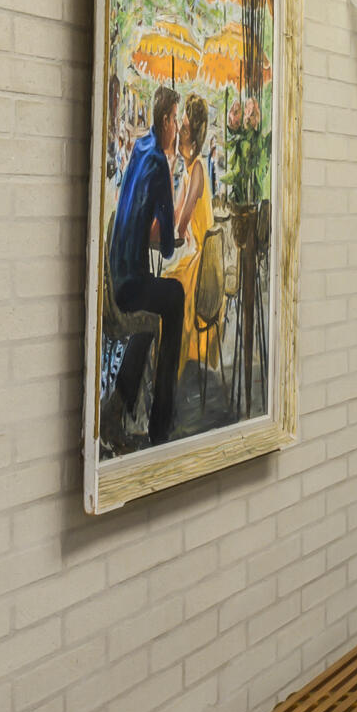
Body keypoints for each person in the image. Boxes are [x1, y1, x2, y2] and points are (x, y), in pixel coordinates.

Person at [107, 85, 187, 448]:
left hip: (115, 275)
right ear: (168, 120)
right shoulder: (157, 161)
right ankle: (161, 422)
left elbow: (138, 215)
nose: (178, 126)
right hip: (130, 285)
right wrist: (170, 177)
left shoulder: (139, 147)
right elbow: (169, 246)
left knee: (154, 307)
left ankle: (117, 408)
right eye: (176, 119)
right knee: (176, 294)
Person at [165, 94, 219, 368]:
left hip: (201, 266)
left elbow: (181, 224)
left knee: (168, 282)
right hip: (194, 255)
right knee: (167, 278)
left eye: (183, 130)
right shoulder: (188, 170)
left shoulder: (197, 170)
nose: (179, 133)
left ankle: (172, 365)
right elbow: (174, 216)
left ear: (193, 140)